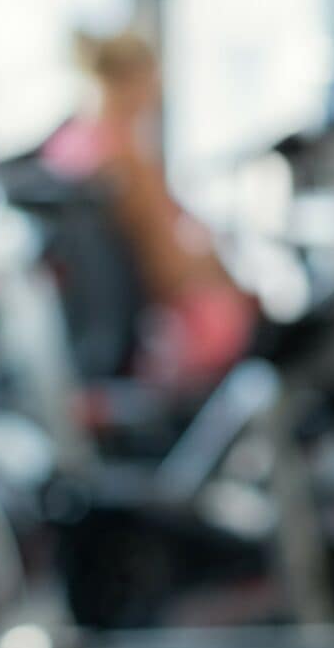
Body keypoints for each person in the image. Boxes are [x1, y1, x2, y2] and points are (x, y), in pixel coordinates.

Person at [40, 28, 256, 395]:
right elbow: (164, 270)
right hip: (152, 333)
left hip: (82, 333)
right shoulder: (127, 160)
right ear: (137, 80)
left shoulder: (67, 145)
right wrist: (231, 282)